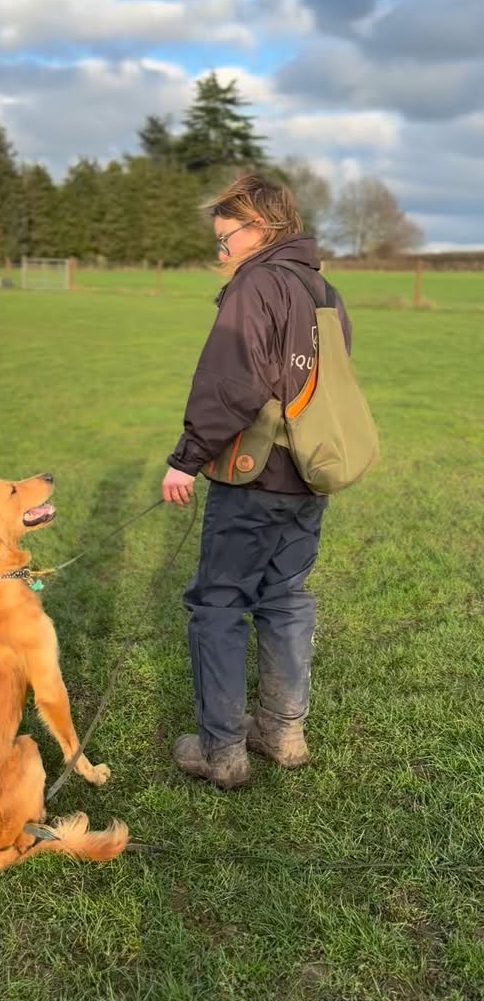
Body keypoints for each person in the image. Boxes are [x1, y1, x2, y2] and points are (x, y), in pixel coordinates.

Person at [161, 173, 351, 789]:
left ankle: (221, 749)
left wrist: (186, 457)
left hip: (255, 475)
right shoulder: (323, 289)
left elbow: (231, 382)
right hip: (310, 476)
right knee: (286, 597)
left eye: (225, 239)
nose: (221, 252)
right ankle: (283, 730)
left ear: (260, 227)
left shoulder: (257, 285)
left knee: (218, 602)